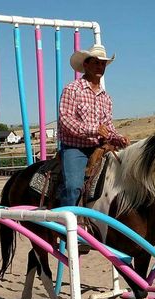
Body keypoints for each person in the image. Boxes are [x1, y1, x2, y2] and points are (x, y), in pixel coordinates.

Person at [57, 44, 129, 207]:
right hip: (75, 148)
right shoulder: (72, 89)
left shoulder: (106, 97)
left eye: (103, 63)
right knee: (73, 187)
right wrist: (93, 129)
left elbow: (108, 126)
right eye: (96, 62)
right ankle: (66, 220)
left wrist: (118, 139)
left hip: (99, 148)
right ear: (86, 65)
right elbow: (65, 120)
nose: (100, 66)